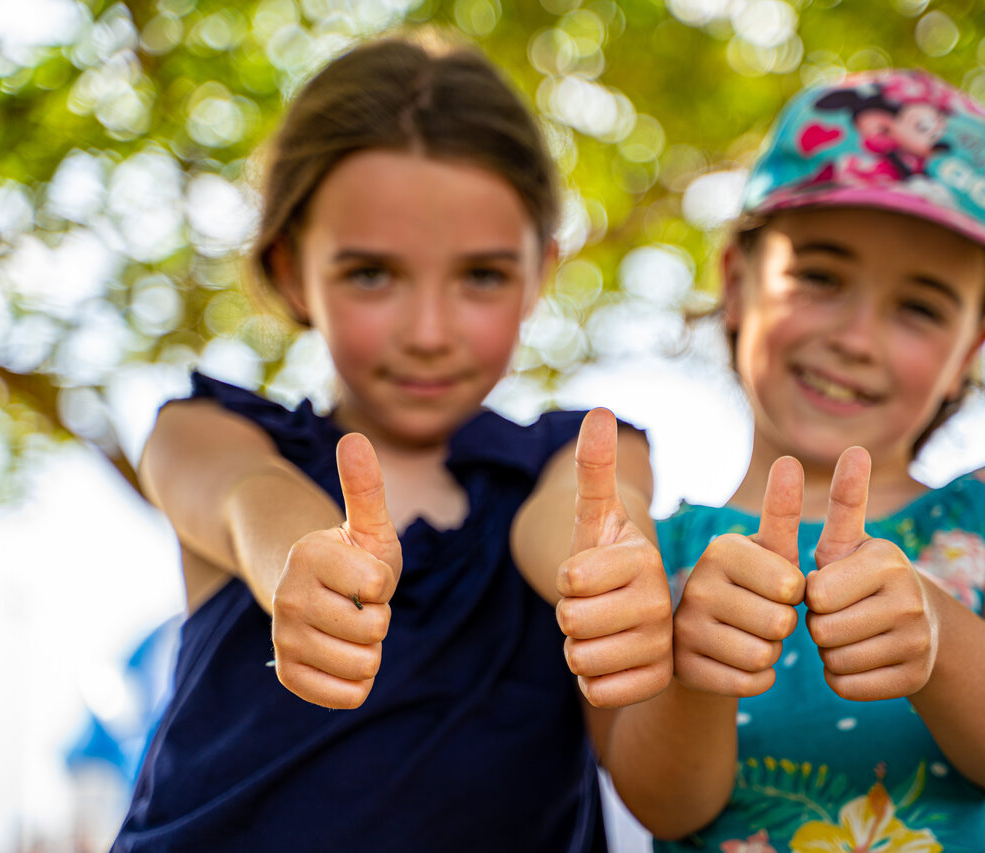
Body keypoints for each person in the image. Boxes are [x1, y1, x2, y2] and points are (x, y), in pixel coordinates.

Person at [112, 34, 672, 852]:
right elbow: (246, 499)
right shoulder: (205, 432)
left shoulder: (579, 458)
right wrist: (306, 558)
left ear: (540, 274)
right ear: (292, 269)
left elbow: (579, 524)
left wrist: (612, 574)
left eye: (481, 275)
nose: (429, 332)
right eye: (372, 273)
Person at [603, 69, 985, 852]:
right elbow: (665, 805)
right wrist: (695, 667)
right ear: (736, 282)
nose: (856, 337)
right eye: (819, 276)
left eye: (919, 306)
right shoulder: (655, 557)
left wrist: (939, 633)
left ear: (969, 351)